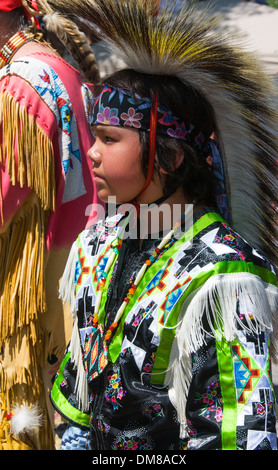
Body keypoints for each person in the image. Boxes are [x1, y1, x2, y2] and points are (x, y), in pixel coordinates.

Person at [49, 0, 278, 450]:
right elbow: (82, 393)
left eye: (109, 139)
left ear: (171, 157)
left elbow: (241, 432)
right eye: (93, 135)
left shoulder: (225, 277)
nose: (91, 152)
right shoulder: (98, 243)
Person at [0, 0, 103, 450]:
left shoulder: (20, 86)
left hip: (38, 288)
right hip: (80, 267)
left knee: (25, 415)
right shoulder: (61, 66)